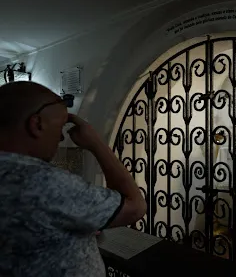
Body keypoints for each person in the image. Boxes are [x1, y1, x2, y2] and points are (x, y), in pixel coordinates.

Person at [0, 81, 146, 276]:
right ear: (36, 124)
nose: (60, 138)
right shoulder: (43, 182)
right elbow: (134, 207)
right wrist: (96, 143)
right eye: (59, 127)